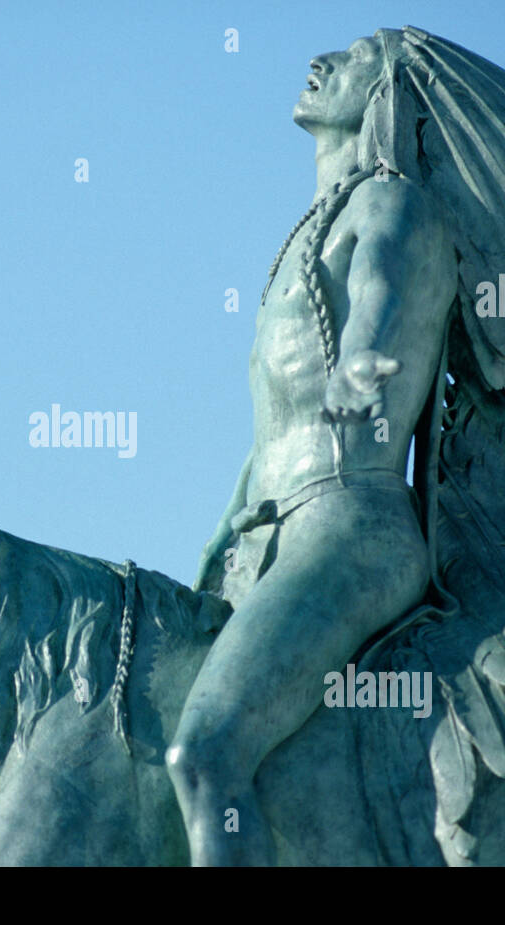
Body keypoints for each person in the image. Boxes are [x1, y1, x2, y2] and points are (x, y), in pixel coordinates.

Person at [169, 32, 456, 866]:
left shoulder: (395, 205)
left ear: (389, 94)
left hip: (351, 529)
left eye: (358, 56)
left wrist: (362, 359)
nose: (321, 59)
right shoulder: (307, 227)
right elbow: (272, 433)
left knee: (206, 755)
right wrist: (225, 532)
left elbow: (384, 293)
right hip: (271, 540)